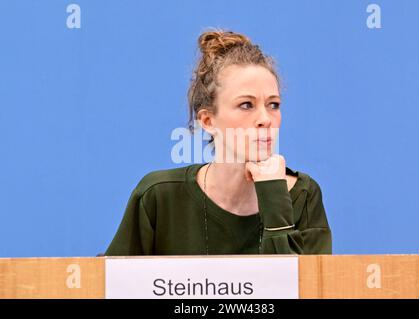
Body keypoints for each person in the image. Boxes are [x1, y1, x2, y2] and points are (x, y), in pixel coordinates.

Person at [105, 29, 332, 256]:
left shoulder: (304, 196)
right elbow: (110, 286)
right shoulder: (159, 197)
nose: (265, 119)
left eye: (273, 104)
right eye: (246, 105)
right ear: (208, 120)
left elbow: (296, 288)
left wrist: (274, 195)